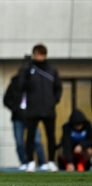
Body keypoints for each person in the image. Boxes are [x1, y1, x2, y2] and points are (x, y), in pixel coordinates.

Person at [17, 44, 62, 172]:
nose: (38, 56)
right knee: (30, 136)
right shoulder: (28, 69)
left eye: (41, 54)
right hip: (33, 109)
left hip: (48, 109)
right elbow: (21, 86)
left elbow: (58, 88)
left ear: (45, 55)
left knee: (50, 136)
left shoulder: (52, 70)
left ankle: (52, 161)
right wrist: (25, 69)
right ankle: (31, 161)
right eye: (36, 54)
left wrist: (54, 101)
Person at [4, 74, 46, 170]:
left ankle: (42, 162)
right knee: (19, 142)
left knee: (37, 141)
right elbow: (6, 100)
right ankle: (24, 162)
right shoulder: (14, 85)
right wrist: (16, 109)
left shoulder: (36, 85)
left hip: (32, 117)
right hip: (18, 118)